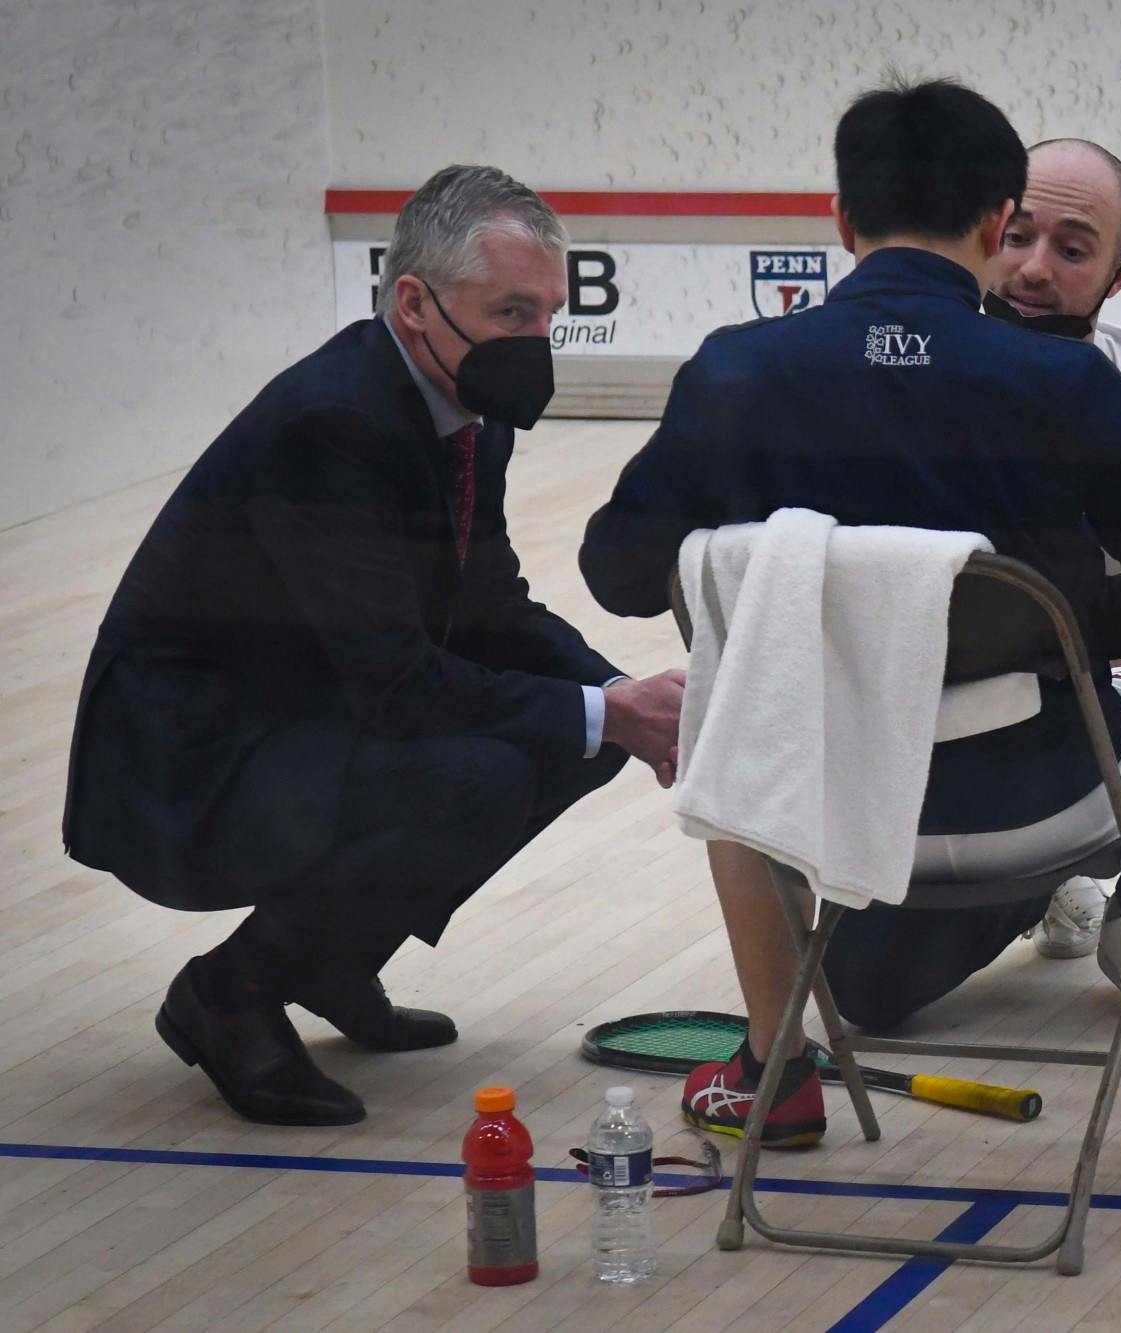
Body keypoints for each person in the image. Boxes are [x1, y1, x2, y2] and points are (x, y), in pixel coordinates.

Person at [580, 78, 1121, 1149]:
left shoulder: (736, 370)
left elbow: (617, 571)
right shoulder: (1058, 379)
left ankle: (773, 1071)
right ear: (990, 224)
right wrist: (1066, 618)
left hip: (814, 803)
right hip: (1051, 791)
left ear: (839, 221)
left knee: (733, 699)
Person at [62, 165, 685, 1126]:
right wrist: (607, 712)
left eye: (548, 315)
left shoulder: (466, 404)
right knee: (481, 769)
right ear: (414, 301)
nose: (537, 343)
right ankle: (231, 991)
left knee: (585, 736)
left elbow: (490, 605)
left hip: (303, 709)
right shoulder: (334, 425)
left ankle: (331, 957)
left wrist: (623, 696)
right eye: (512, 311)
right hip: (187, 752)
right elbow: (396, 681)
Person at [818, 136, 1121, 1037]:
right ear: (984, 229)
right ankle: (1048, 882)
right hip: (936, 745)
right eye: (1020, 235)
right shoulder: (891, 381)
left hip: (1093, 707)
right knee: (866, 998)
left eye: (1072, 249)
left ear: (1118, 275)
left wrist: (1066, 668)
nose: (1034, 268)